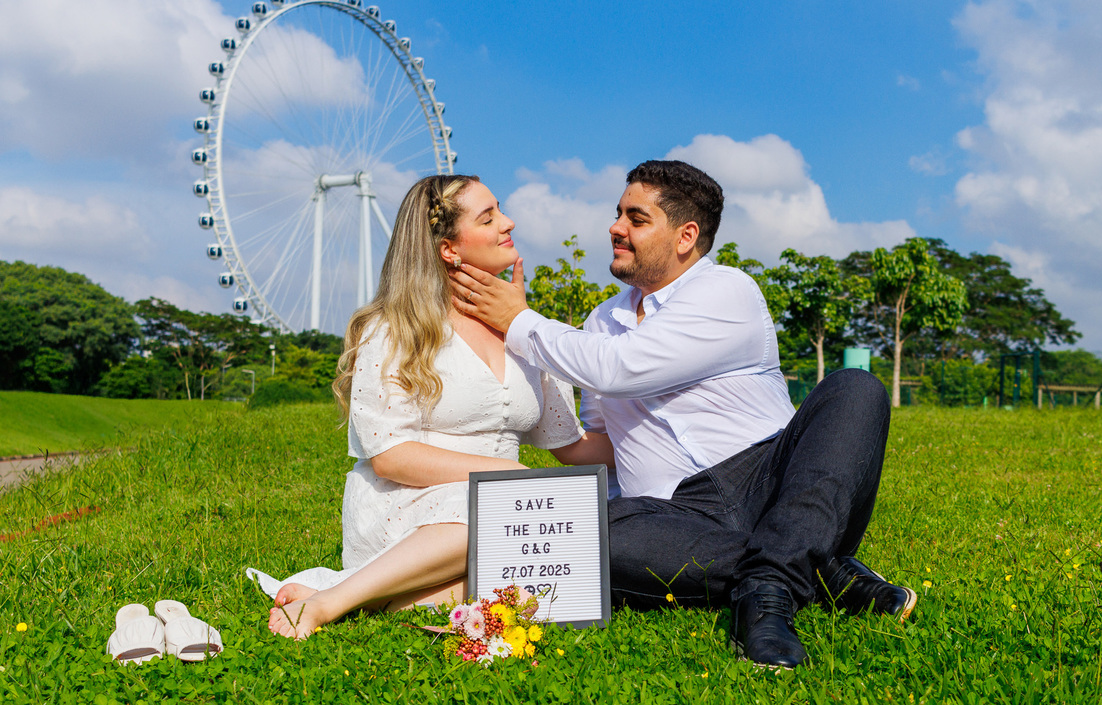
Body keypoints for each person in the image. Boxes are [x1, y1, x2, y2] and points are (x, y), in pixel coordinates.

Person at [450, 160, 915, 668]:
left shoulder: (727, 291)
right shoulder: (601, 322)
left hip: (770, 477)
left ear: (685, 236)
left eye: (636, 218)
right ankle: (815, 566)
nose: (615, 228)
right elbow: (606, 442)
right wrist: (551, 438)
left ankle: (768, 590)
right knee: (582, 529)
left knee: (855, 389)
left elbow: (621, 368)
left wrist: (518, 320)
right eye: (618, 214)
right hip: (674, 513)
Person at [247, 174, 613, 639]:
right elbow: (390, 456)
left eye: (500, 211)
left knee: (562, 559)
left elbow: (570, 446)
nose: (508, 223)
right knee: (492, 515)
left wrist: (661, 450)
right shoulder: (393, 329)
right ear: (448, 249)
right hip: (409, 503)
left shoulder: (527, 330)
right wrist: (504, 476)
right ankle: (329, 602)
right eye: (489, 218)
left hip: (505, 503)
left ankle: (372, 594)